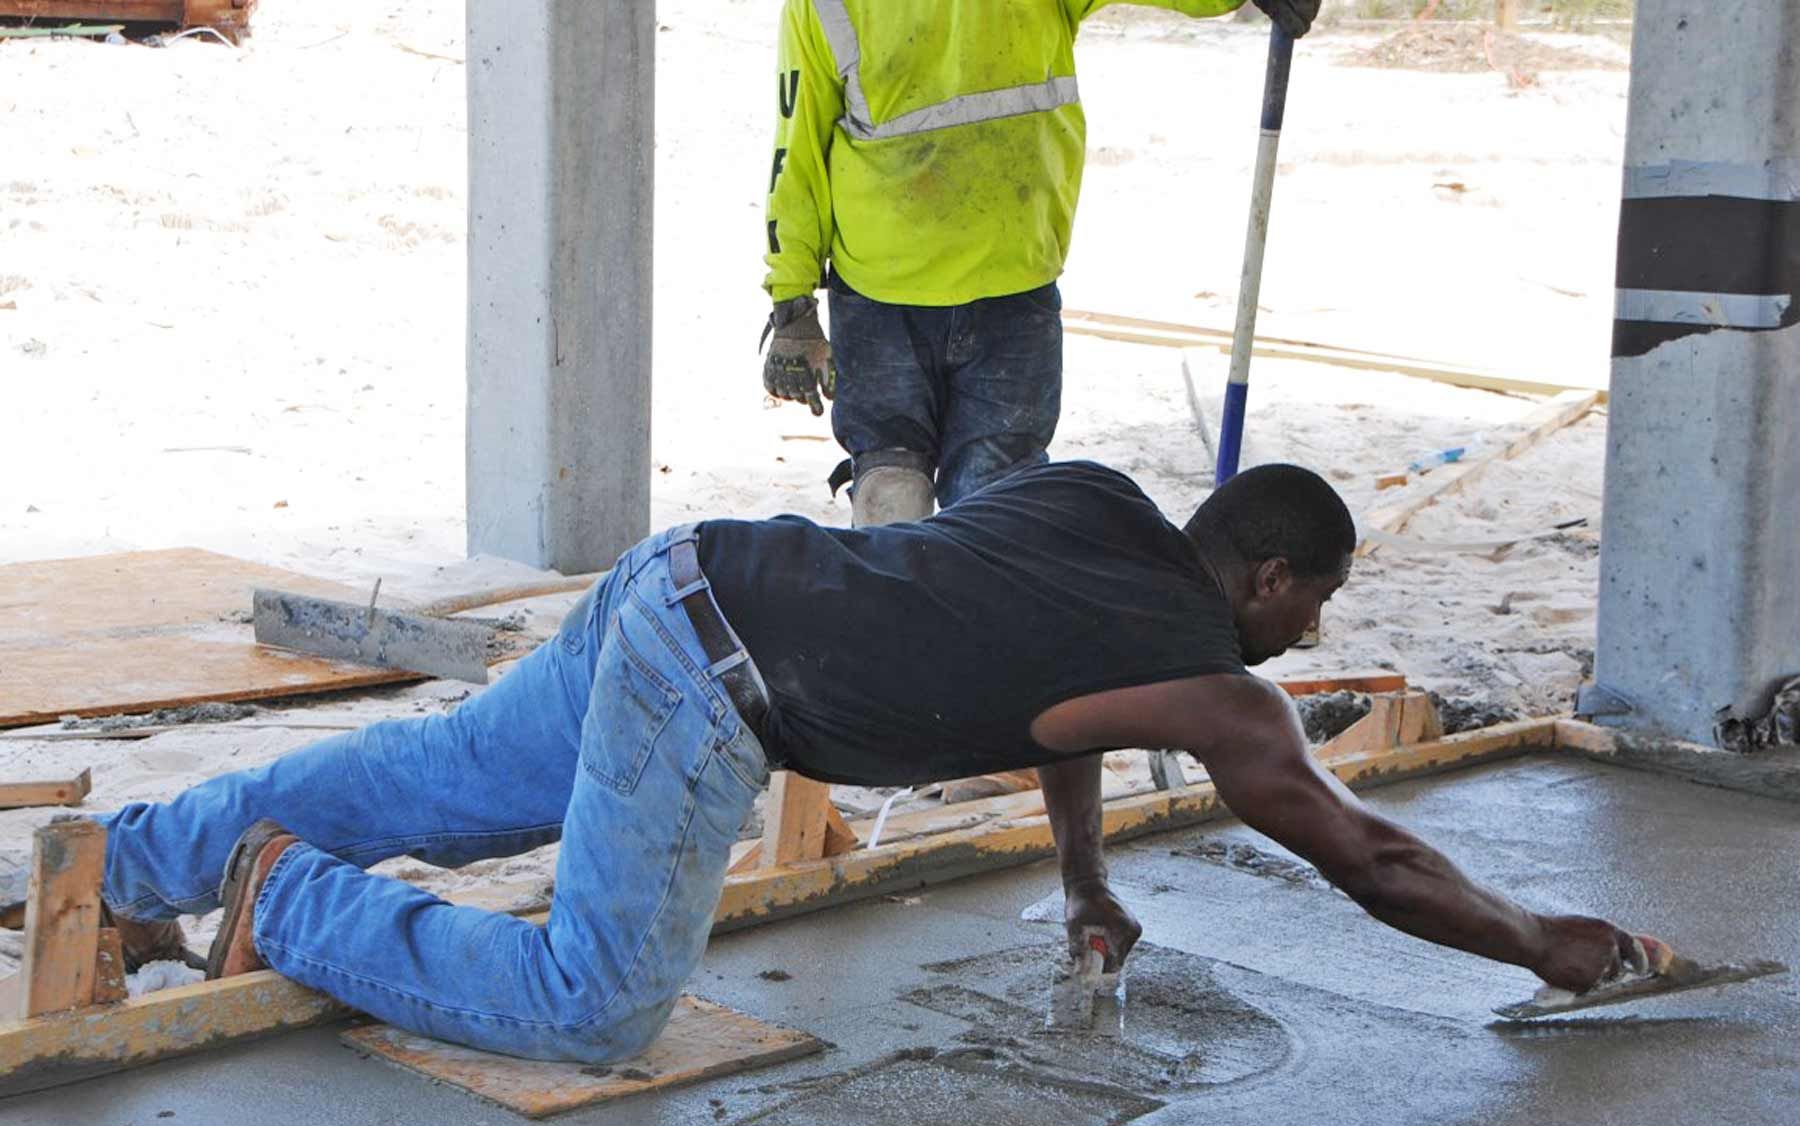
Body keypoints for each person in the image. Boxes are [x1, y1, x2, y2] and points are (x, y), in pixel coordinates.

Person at [95, 462, 1640, 1063]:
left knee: (432, 783)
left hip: (686, 572)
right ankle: (280, 902)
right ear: (1272, 581)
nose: (1311, 641)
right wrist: (1539, 940)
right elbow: (1366, 853)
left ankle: (122, 860)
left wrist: (1088, 884)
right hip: (715, 682)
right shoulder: (1229, 699)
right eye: (1319, 605)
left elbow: (1066, 703)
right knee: (596, 1005)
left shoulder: (1093, 508)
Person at [759, 0, 1321, 526]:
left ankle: (907, 622)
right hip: (998, 280)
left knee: (899, 491)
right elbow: (799, 148)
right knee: (992, 501)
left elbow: (796, 149)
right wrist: (791, 303)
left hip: (908, 287)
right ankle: (968, 622)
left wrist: (793, 303)